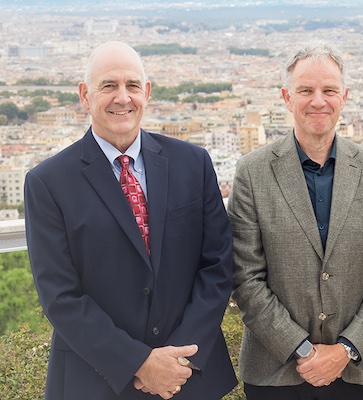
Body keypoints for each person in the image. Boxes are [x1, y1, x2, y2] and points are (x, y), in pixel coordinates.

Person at [24, 41, 237, 399]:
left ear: (147, 93)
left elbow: (218, 266)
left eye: (132, 86)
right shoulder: (48, 183)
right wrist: (139, 363)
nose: (122, 97)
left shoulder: (193, 163)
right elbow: (60, 296)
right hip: (96, 380)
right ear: (85, 95)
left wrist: (176, 360)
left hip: (188, 375)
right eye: (109, 86)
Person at [227, 40, 363, 400]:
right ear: (286, 97)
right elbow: (244, 278)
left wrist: (345, 349)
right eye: (306, 90)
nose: (318, 101)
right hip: (276, 374)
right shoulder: (252, 172)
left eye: (329, 90)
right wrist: (304, 351)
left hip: (357, 371)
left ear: (345, 96)